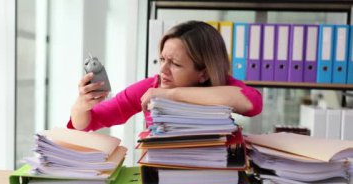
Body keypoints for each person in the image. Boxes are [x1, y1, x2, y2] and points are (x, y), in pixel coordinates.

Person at [67, 20, 262, 131]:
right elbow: (90, 122)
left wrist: (170, 95)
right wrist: (81, 106)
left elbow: (253, 104)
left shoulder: (222, 86)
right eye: (162, 59)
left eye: (175, 64)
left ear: (203, 73)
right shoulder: (151, 86)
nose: (162, 70)